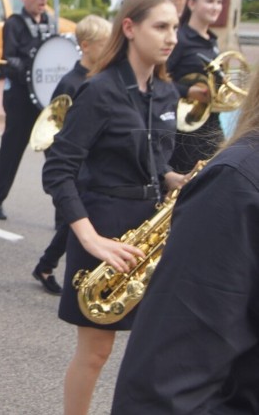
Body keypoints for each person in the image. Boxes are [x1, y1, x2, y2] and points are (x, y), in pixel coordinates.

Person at [42, 0, 185, 415]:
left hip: (152, 232)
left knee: (155, 351)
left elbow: (156, 165)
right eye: (161, 27)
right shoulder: (99, 90)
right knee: (95, 352)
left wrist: (177, 178)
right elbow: (58, 169)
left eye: (175, 27)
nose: (171, 37)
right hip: (104, 231)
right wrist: (88, 238)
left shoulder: (166, 93)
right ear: (129, 28)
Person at [111, 66, 259, 414]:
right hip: (118, 208)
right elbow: (164, 390)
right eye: (161, 26)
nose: (170, 37)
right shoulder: (238, 184)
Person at [32, 15, 110, 295]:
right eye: (105, 43)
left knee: (76, 218)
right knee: (76, 218)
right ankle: (47, 265)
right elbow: (53, 127)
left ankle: (45, 265)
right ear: (87, 46)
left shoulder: (99, 78)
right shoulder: (71, 82)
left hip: (91, 161)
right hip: (74, 163)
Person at [0, 0, 57, 221]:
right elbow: (6, 62)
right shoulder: (14, 24)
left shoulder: (50, 21)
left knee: (56, 155)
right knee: (12, 150)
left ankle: (63, 209)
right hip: (20, 98)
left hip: (45, 100)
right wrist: (17, 64)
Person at [166, 0, 224, 174]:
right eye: (210, 1)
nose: (216, 7)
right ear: (191, 4)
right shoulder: (179, 39)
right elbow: (157, 81)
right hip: (185, 132)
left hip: (211, 124)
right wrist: (187, 91)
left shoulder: (213, 41)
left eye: (219, 2)